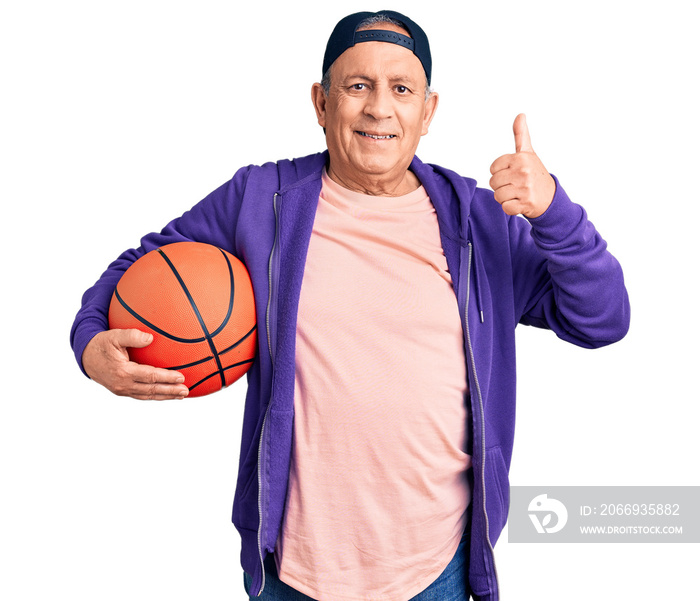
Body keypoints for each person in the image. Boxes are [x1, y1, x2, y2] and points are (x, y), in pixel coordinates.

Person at [70, 10, 630, 601]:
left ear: (429, 111)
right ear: (321, 101)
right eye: (357, 86)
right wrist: (89, 345)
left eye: (402, 89)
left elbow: (602, 319)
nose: (379, 108)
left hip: (436, 567)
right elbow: (139, 267)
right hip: (291, 568)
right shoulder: (263, 200)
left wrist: (555, 215)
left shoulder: (479, 220)